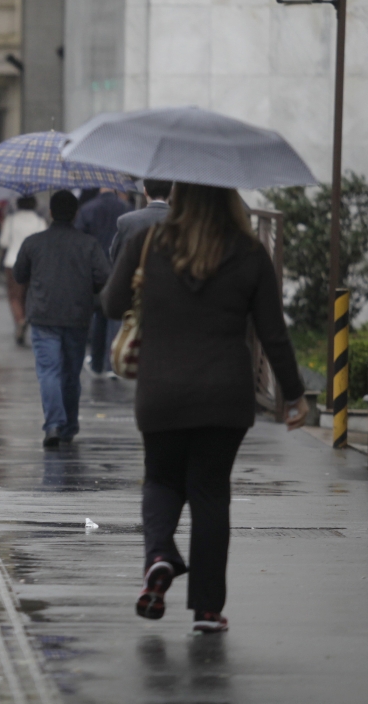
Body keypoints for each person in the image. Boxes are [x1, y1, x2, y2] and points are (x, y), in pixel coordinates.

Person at [101, 183, 307, 634]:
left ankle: (158, 558)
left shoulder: (148, 242)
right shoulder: (249, 252)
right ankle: (208, 610)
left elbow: (112, 303)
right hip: (224, 393)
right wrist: (294, 394)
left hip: (160, 389)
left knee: (161, 477)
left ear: (180, 198)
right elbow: (273, 333)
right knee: (211, 494)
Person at [13, 191, 110, 447]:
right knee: (71, 373)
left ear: (51, 213)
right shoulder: (88, 244)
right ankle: (69, 426)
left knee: (49, 371)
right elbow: (104, 277)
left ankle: (53, 424)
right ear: (76, 213)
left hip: (43, 315)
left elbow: (19, 274)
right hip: (77, 316)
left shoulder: (34, 242)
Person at [75, 186, 131, 377]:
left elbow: (79, 240)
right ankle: (111, 362)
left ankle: (97, 361)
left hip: (94, 269)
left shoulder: (87, 209)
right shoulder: (126, 208)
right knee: (115, 314)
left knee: (98, 315)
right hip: (118, 267)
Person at [0, 195, 47, 344]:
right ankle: (25, 318)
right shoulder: (40, 222)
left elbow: (3, 242)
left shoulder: (11, 220)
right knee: (28, 295)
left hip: (12, 261)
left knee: (14, 296)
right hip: (33, 264)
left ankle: (19, 320)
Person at [110, 179, 173, 261]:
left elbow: (115, 255)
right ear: (171, 191)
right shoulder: (182, 221)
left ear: (145, 191)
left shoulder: (127, 221)